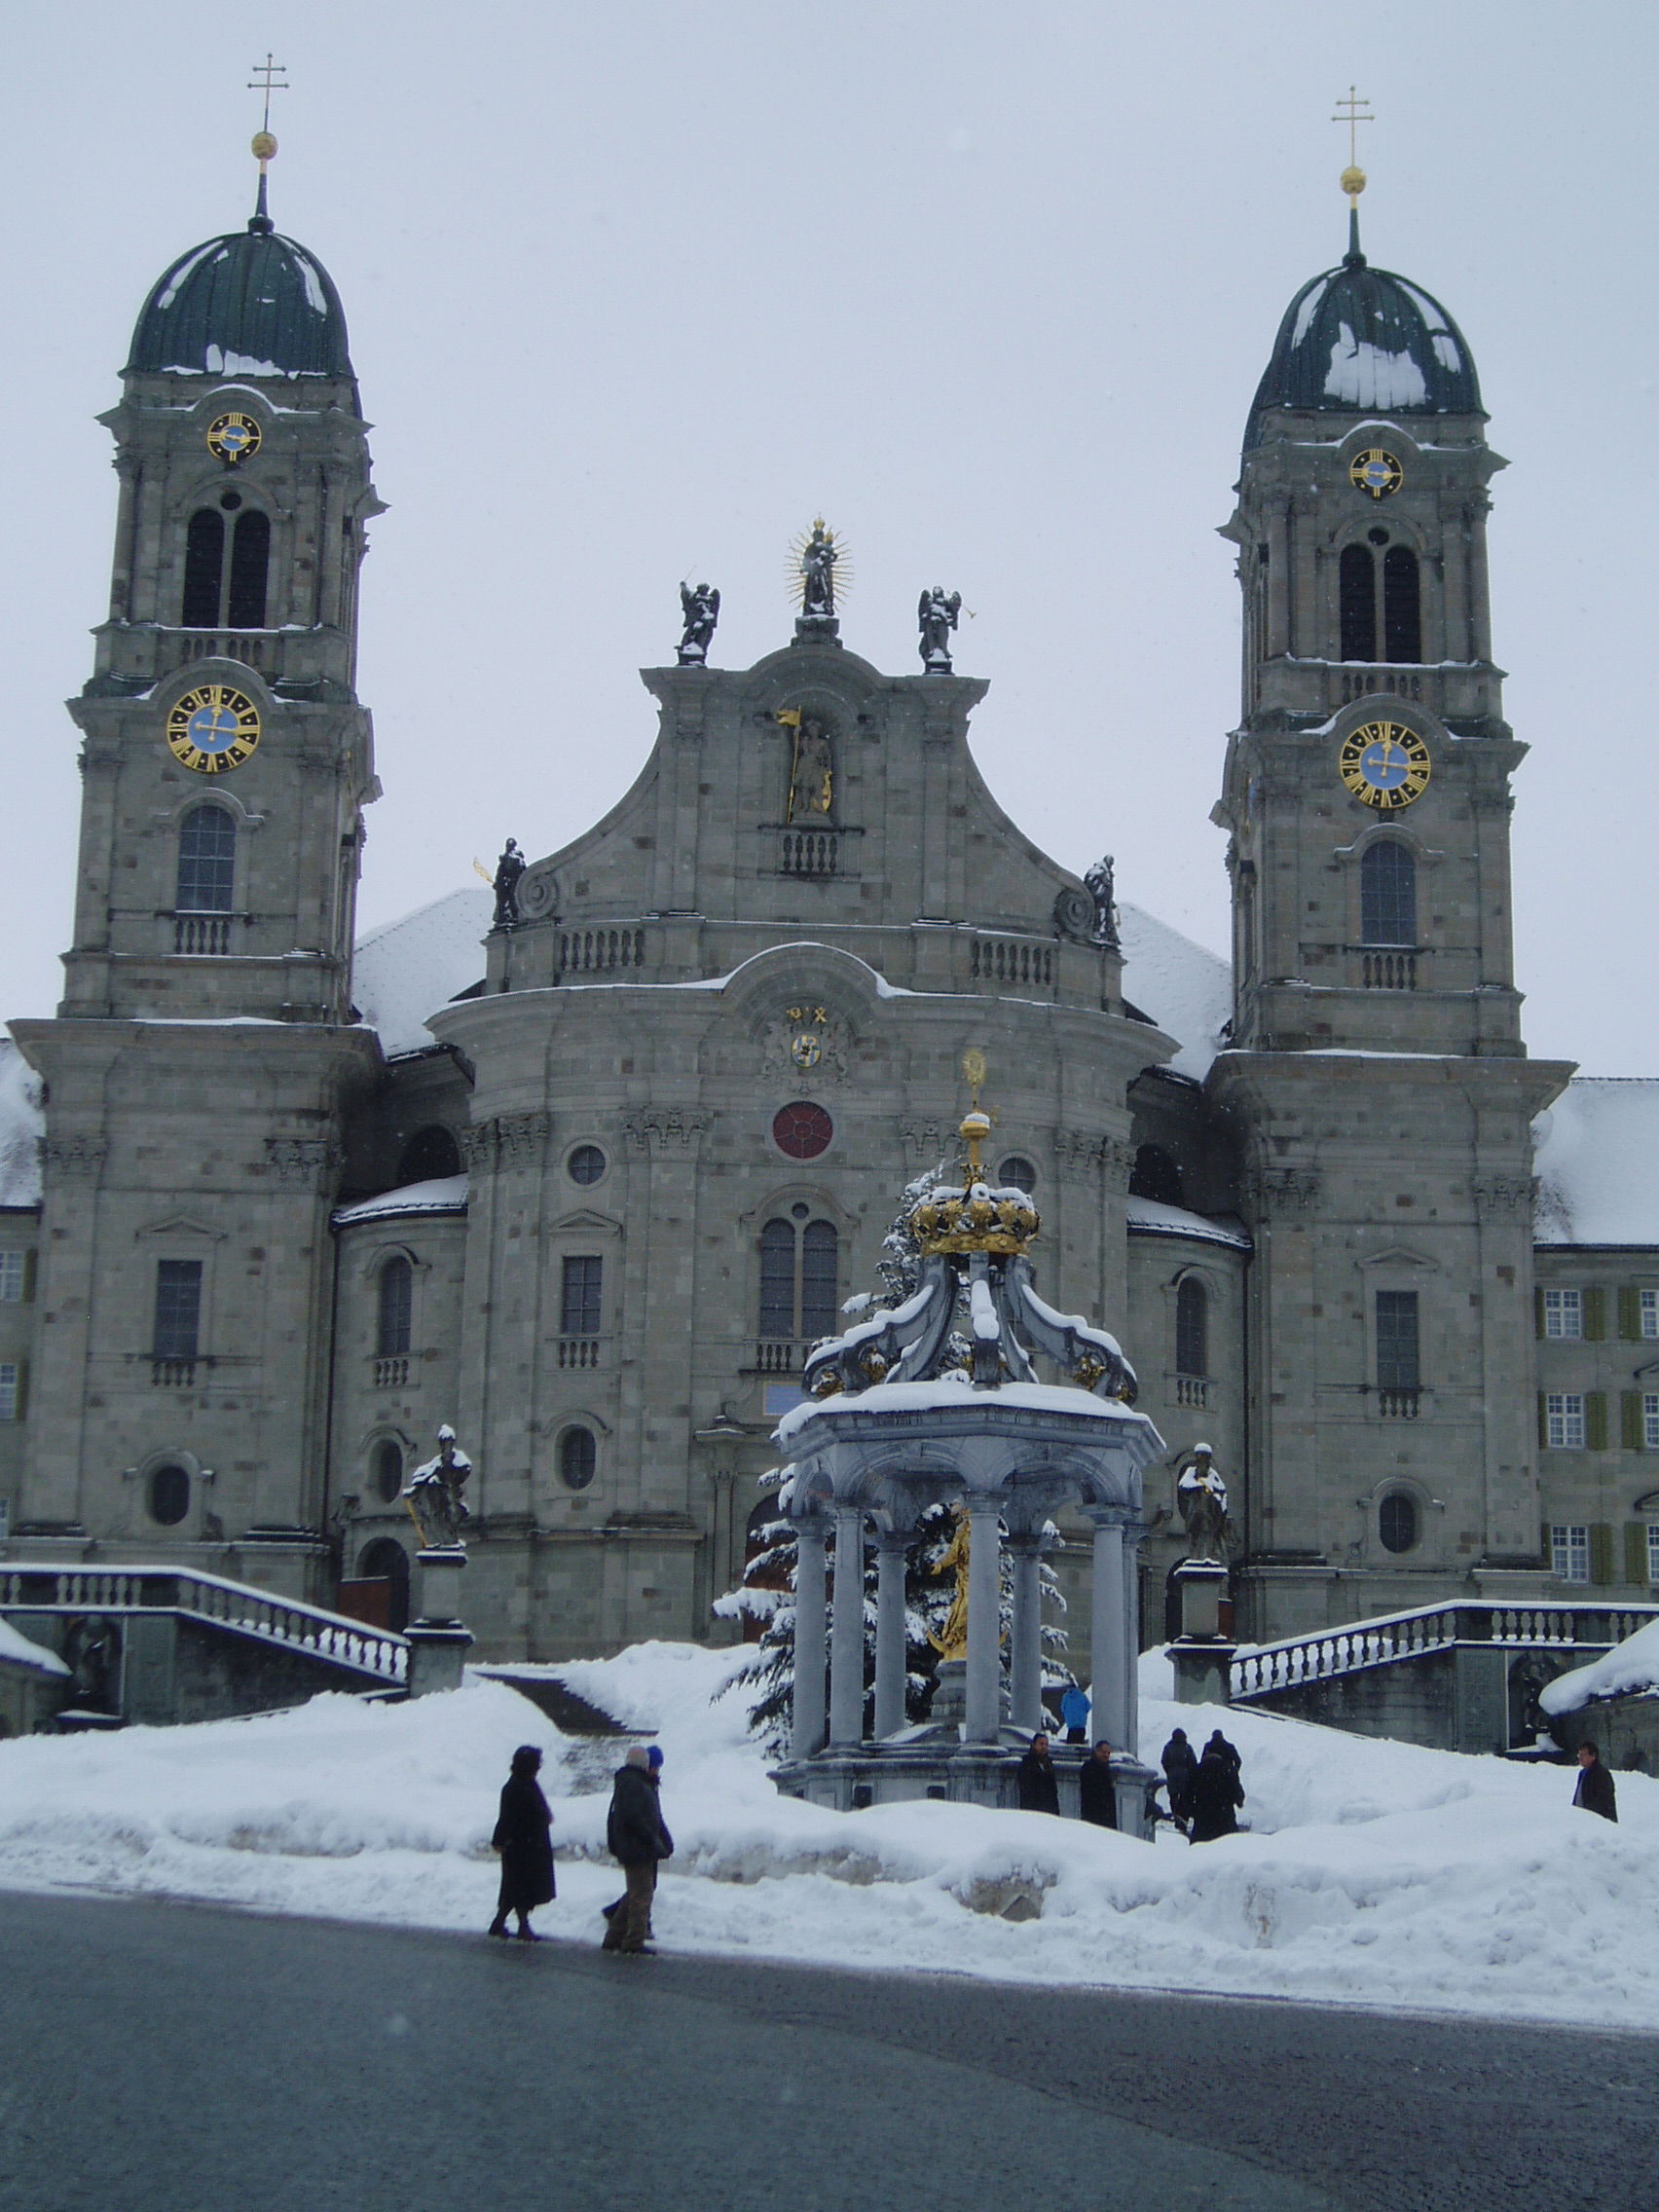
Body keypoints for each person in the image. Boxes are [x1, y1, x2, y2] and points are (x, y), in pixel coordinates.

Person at [602, 1744, 674, 1954]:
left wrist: (663, 1841)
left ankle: (614, 1936)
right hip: (637, 1848)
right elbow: (636, 1819)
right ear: (646, 1764)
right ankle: (633, 1941)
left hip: (638, 1847)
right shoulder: (634, 1784)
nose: (656, 1770)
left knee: (637, 1892)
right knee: (641, 1895)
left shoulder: (637, 1783)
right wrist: (653, 1840)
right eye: (654, 1766)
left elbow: (652, 1818)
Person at [488, 1744, 554, 1941]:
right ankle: (523, 1927)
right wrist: (499, 1839)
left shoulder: (524, 1783)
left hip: (528, 1844)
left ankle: (499, 1923)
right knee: (521, 1887)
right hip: (522, 1846)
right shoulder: (516, 1787)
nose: (539, 1767)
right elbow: (507, 1817)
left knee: (513, 1887)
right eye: (536, 1764)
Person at [1188, 1741, 1245, 1843]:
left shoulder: (1197, 1770)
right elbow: (1237, 1792)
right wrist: (1238, 1802)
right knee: (1228, 1849)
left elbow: (1187, 1794)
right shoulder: (1228, 1770)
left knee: (1199, 1852)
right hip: (1225, 1818)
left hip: (1203, 1820)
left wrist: (1192, 1811)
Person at [1571, 1740, 1618, 1823]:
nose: (1580, 1758)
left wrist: (1589, 1813)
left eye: (1583, 1755)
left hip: (1599, 1821)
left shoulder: (1602, 1774)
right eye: (1579, 1755)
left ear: (1593, 1756)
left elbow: (1603, 1800)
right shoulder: (1583, 1773)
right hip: (1582, 1820)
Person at [1161, 1726, 1198, 1828]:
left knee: (1173, 1797)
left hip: (1172, 1777)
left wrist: (1170, 1771)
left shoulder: (1168, 1747)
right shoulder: (1187, 1748)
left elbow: (1164, 1761)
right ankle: (1182, 1817)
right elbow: (1193, 1763)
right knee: (1184, 1799)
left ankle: (1175, 1814)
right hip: (1185, 1778)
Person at [1015, 1731, 1060, 1814]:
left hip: (1049, 1812)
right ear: (1034, 1745)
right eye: (1041, 1744)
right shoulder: (1027, 1764)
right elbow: (1027, 1790)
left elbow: (1053, 1792)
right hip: (1033, 1811)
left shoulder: (1049, 1764)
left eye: (1046, 1744)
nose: (1044, 1747)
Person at [1078, 1740, 1118, 1829]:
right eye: (1104, 1752)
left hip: (1107, 1816)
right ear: (1097, 1751)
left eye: (1108, 1753)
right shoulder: (1088, 1767)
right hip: (1093, 1815)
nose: (1106, 1755)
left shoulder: (1107, 1769)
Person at [1059, 1681, 1090, 1746]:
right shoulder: (1082, 1695)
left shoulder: (1065, 1697)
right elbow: (1088, 1707)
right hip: (1081, 1724)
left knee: (1070, 1744)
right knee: (1080, 1744)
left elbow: (1062, 1708)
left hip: (1071, 1725)